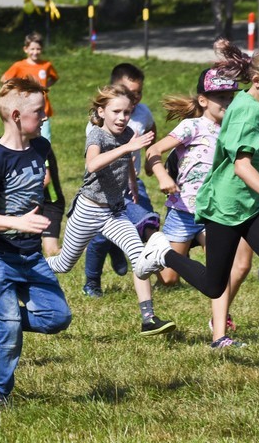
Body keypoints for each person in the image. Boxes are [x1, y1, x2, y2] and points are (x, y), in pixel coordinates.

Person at [136, 41, 259, 373]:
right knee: (215, 284)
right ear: (256, 80)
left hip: (252, 203)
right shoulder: (244, 111)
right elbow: (241, 166)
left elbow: (256, 159)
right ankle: (162, 252)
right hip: (226, 206)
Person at [0, 77, 72, 407]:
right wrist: (16, 222)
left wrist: (50, 229)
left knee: (58, 317)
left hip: (31, 255)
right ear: (15, 116)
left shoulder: (41, 148)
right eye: (39, 111)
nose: (45, 116)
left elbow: (53, 195)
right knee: (10, 327)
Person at [46, 84, 176, 336]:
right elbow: (93, 164)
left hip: (114, 212)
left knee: (141, 258)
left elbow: (127, 159)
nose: (122, 117)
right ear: (101, 111)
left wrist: (131, 182)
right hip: (88, 210)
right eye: (116, 111)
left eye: (126, 112)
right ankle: (24, 268)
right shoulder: (97, 135)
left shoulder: (128, 134)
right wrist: (127, 148)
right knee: (63, 264)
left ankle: (148, 318)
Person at [145, 68, 250, 348]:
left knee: (229, 267)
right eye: (221, 98)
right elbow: (153, 151)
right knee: (168, 279)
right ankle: (156, 249)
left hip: (215, 214)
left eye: (231, 97)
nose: (228, 103)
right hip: (183, 213)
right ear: (203, 100)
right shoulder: (192, 127)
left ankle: (219, 335)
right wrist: (163, 176)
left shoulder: (235, 129)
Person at [82, 64, 161, 298]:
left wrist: (148, 158)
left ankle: (123, 251)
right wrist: (127, 147)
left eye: (139, 92)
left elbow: (150, 131)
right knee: (98, 235)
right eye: (129, 91)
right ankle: (92, 282)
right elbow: (96, 161)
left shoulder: (142, 113)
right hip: (103, 189)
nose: (134, 97)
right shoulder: (98, 124)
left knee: (147, 222)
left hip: (131, 181)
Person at [0, 32, 63, 255]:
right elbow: (4, 81)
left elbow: (54, 79)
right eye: (32, 49)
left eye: (39, 48)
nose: (36, 52)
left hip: (48, 203)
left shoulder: (46, 65)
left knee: (41, 145)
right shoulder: (18, 65)